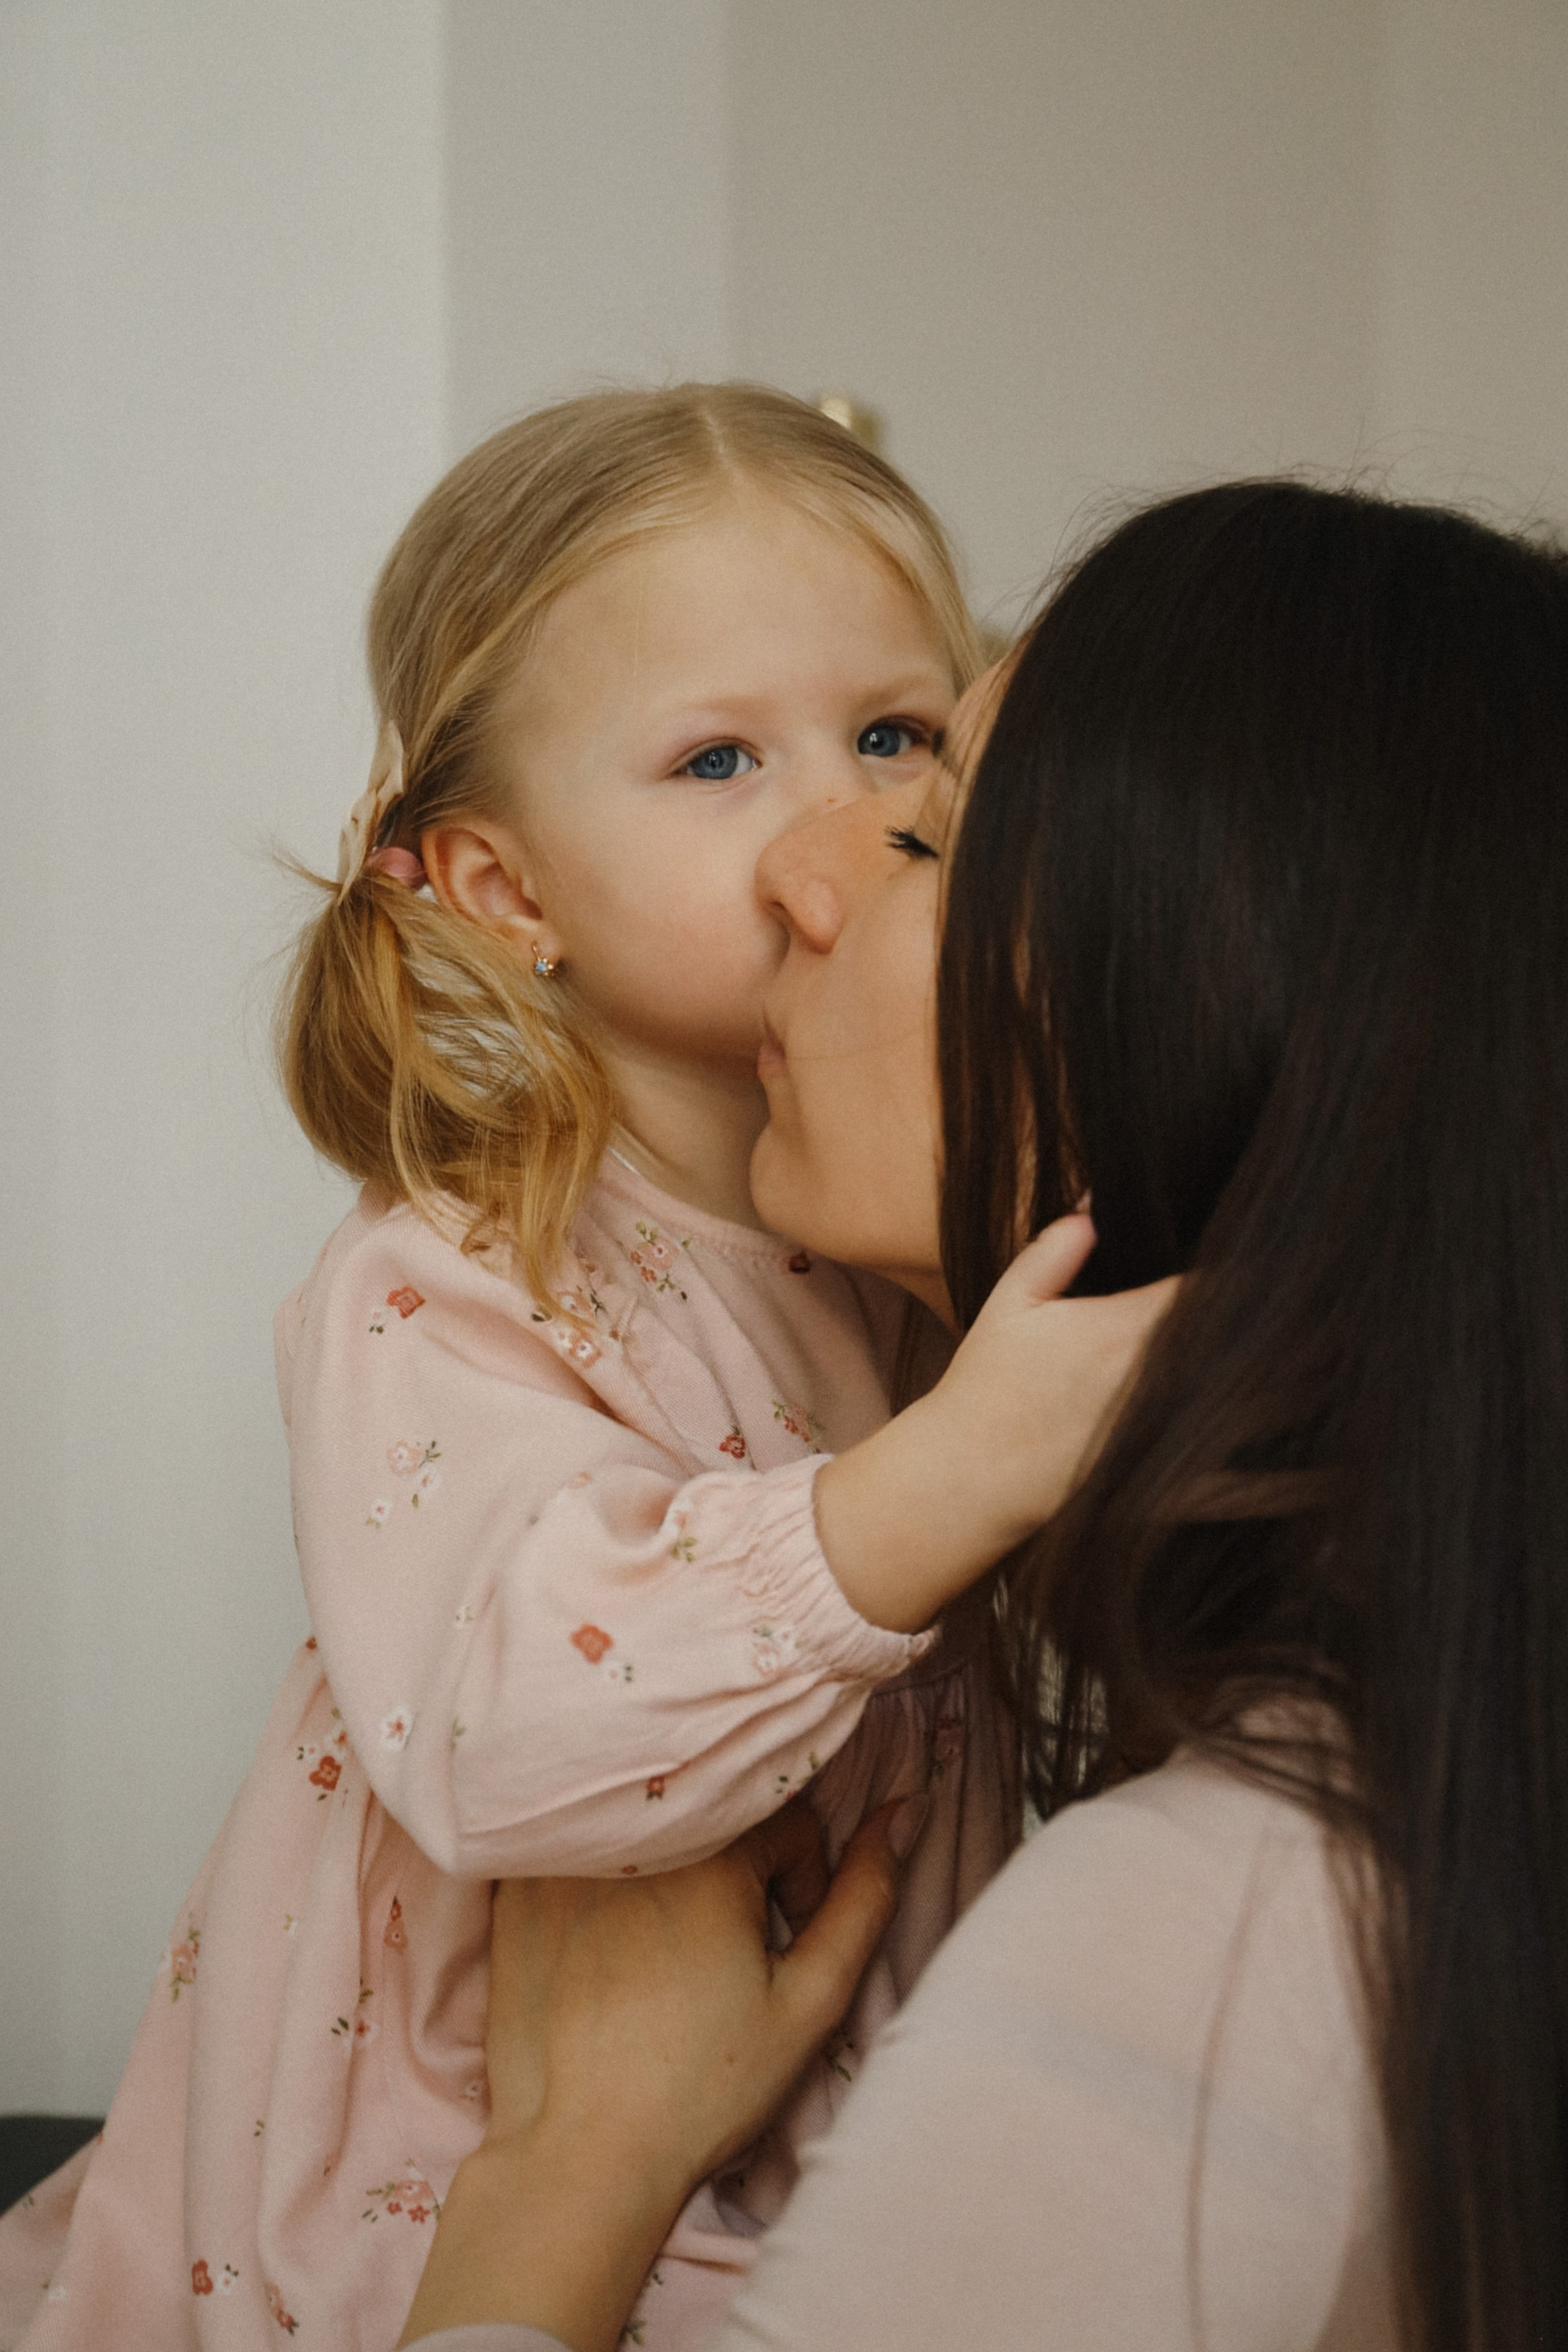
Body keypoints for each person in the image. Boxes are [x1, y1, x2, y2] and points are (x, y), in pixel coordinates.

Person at [0, 386, 1155, 2352]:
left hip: (826, 2164)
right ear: (506, 894)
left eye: (898, 735)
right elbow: (515, 1736)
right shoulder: (455, 1274)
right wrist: (955, 1472)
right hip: (442, 2202)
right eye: (717, 756)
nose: (844, 817)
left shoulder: (907, 1258)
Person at [398, 481, 1568, 2352]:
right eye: (720, 765)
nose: (806, 871)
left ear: (1191, 1013)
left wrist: (564, 2180)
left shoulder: (1218, 1926)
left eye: (923, 818)